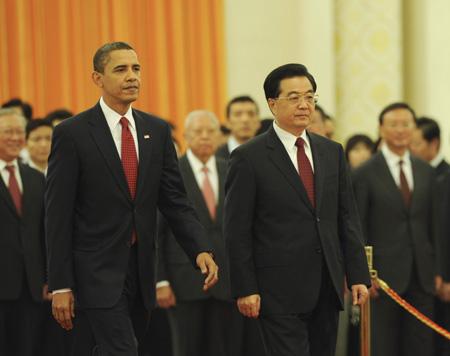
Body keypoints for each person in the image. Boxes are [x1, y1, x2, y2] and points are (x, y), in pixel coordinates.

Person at [45, 41, 218, 355]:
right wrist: (60, 284)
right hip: (93, 272)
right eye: (120, 69)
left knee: (112, 347)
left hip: (140, 272)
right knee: (122, 349)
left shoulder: (157, 130)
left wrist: (200, 248)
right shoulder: (73, 133)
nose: (132, 76)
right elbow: (57, 215)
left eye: (136, 68)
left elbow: (175, 200)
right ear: (97, 78)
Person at [224, 63, 370, 356]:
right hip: (276, 290)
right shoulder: (248, 157)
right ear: (272, 103)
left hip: (326, 286)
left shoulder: (331, 151)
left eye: (310, 97)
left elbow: (346, 217)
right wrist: (245, 287)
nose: (304, 105)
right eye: (294, 97)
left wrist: (357, 274)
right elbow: (237, 229)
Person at [352, 103, 440, 356]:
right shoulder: (365, 173)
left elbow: (435, 224)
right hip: (383, 278)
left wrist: (438, 270)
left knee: (421, 344)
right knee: (384, 345)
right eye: (393, 124)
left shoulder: (426, 171)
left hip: (422, 274)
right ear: (381, 128)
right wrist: (362, 273)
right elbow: (358, 227)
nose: (400, 130)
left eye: (406, 124)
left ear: (414, 128)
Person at [157, 110, 243, 356]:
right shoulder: (170, 173)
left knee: (227, 348)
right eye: (198, 131)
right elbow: (157, 233)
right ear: (185, 136)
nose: (205, 137)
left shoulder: (232, 170)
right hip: (183, 281)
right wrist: (160, 281)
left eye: (210, 131)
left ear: (219, 136)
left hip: (228, 281)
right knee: (188, 348)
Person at [0, 108, 48, 355]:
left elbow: (45, 234)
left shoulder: (35, 179)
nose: (15, 138)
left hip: (31, 287)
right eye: (8, 131)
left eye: (19, 132)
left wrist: (49, 278)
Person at [409, 116, 450, 356]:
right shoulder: (415, 177)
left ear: (434, 144)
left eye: (416, 144)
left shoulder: (445, 178)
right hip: (420, 277)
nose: (411, 150)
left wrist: (445, 276)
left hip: (443, 278)